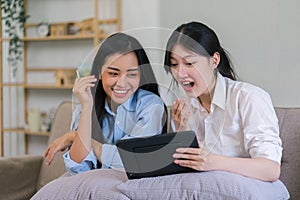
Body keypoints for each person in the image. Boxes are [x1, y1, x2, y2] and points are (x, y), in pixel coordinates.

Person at [164, 21, 282, 182]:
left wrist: (213, 161)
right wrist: (182, 132)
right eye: (174, 64)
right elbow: (185, 170)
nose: (180, 73)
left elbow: (271, 169)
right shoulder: (184, 107)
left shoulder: (248, 97)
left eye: (189, 63)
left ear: (214, 61)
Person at [44, 33, 167, 175]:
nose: (122, 83)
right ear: (100, 73)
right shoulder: (85, 107)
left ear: (141, 75)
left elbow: (133, 160)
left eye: (132, 74)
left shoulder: (151, 106)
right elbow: (78, 169)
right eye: (114, 74)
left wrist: (77, 138)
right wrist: (86, 107)